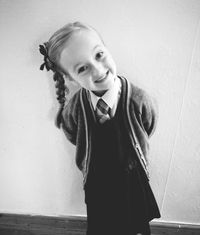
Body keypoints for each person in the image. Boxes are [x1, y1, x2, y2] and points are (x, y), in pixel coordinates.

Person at [39, 21, 161, 235]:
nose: (97, 70)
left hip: (132, 180)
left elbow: (148, 126)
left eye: (99, 55)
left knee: (137, 225)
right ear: (70, 78)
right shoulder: (76, 107)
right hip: (98, 181)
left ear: (106, 48)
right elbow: (73, 133)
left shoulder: (138, 99)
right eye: (82, 68)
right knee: (102, 224)